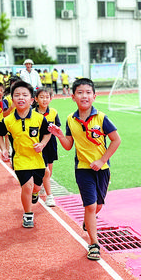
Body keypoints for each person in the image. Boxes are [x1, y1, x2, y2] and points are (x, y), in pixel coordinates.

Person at [48, 78, 121, 260]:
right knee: (90, 205)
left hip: (102, 168)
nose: (84, 96)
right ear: (73, 97)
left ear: (94, 96)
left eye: (88, 92)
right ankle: (94, 244)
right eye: (80, 92)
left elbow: (116, 140)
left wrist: (102, 160)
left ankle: (88, 221)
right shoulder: (70, 120)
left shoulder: (101, 118)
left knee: (98, 205)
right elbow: (68, 145)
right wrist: (58, 135)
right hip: (82, 168)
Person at [0, 80, 51, 228]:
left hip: (37, 159)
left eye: (25, 95)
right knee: (27, 186)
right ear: (12, 99)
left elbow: (47, 134)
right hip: (20, 159)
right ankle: (28, 215)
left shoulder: (39, 118)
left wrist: (42, 144)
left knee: (36, 188)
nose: (21, 98)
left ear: (32, 100)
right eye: (17, 95)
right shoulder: (7, 120)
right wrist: (3, 149)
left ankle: (35, 194)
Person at [34, 88, 60, 207]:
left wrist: (54, 128)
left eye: (47, 97)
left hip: (51, 143)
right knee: (46, 170)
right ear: (36, 99)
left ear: (51, 98)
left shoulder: (53, 112)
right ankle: (50, 196)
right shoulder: (33, 113)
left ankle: (45, 185)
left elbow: (57, 126)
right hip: (39, 143)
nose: (44, 100)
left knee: (50, 168)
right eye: (41, 97)